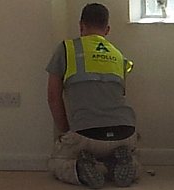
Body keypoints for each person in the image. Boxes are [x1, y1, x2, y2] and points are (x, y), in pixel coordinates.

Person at [46, 3, 138, 189]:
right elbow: (120, 94)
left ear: (81, 26)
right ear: (108, 29)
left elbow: (53, 96)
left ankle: (79, 168)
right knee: (122, 153)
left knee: (56, 161)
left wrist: (66, 132)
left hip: (86, 133)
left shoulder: (67, 48)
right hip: (126, 132)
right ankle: (125, 163)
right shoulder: (118, 55)